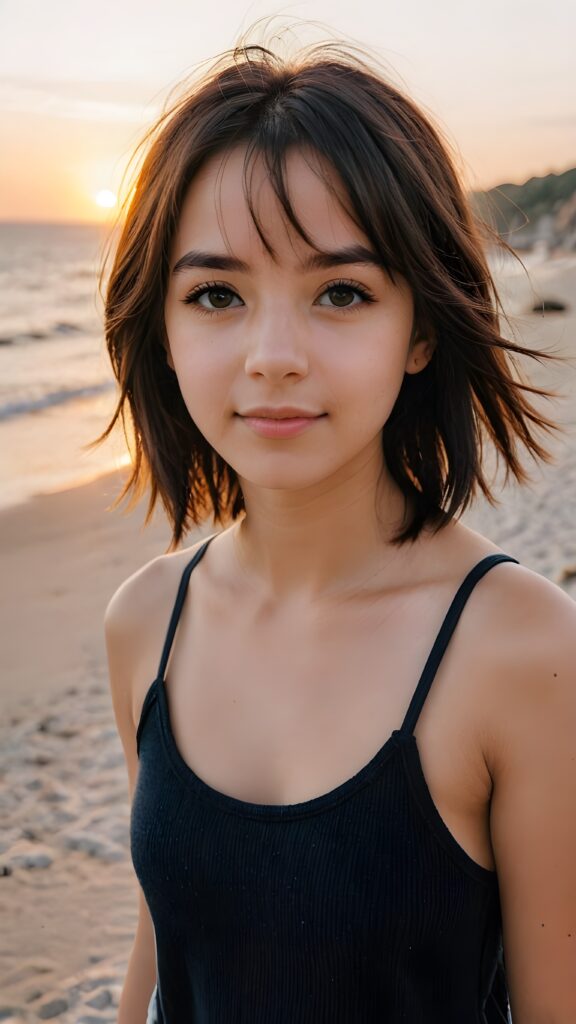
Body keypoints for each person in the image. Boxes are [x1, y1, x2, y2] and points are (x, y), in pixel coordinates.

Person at [95, 35, 576, 1024]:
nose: (273, 356)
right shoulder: (145, 618)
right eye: (217, 294)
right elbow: (169, 934)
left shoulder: (525, 648)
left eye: (342, 293)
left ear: (422, 328)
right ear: (164, 327)